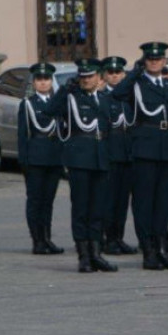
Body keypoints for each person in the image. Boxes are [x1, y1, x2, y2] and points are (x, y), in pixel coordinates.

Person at [109, 41, 168, 270]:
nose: (155, 62)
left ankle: (161, 248)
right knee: (145, 203)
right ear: (145, 62)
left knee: (163, 203)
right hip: (145, 149)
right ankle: (149, 250)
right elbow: (117, 94)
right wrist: (135, 72)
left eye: (158, 59)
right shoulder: (136, 85)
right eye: (150, 59)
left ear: (164, 61)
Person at [41, 60, 118, 273]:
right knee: (81, 208)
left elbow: (109, 128)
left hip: (100, 157)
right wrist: (66, 88)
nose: (85, 80)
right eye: (82, 77)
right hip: (79, 158)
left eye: (90, 76)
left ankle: (96, 253)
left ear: (99, 78)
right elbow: (49, 111)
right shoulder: (71, 98)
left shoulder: (104, 98)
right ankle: (84, 255)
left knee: (98, 209)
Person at [16, 63, 65, 256]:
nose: (43, 82)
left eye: (46, 79)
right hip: (35, 157)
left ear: (51, 81)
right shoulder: (28, 104)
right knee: (35, 200)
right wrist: (24, 160)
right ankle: (37, 240)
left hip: (54, 156)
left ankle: (47, 238)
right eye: (39, 79)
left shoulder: (57, 102)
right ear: (34, 82)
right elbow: (23, 134)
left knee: (48, 201)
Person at [100, 57, 137, 256]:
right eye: (111, 73)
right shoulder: (103, 97)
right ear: (105, 75)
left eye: (118, 73)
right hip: (110, 155)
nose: (115, 76)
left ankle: (119, 237)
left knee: (123, 200)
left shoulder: (128, 98)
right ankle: (108, 239)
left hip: (127, 154)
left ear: (124, 75)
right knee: (110, 200)